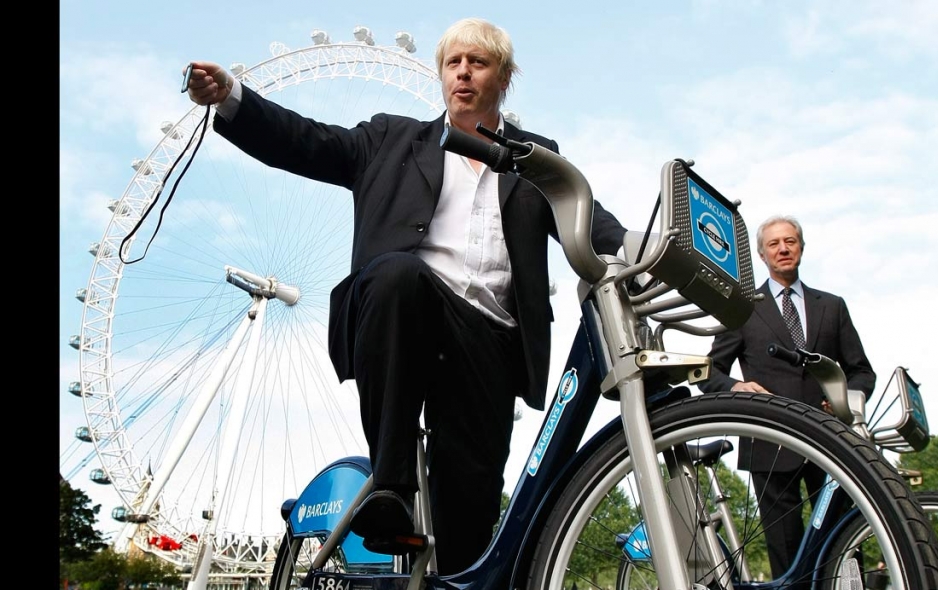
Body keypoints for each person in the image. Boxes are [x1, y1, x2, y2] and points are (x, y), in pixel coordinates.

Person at [183, 17, 627, 575]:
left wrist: (650, 253)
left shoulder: (537, 159)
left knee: (469, 515)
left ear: (505, 78)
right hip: (409, 313)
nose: (463, 73)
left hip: (492, 342)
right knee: (397, 274)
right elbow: (306, 142)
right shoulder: (391, 138)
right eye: (453, 63)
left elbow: (593, 223)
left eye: (479, 63)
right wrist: (232, 100)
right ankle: (389, 487)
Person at [697, 214, 875, 583]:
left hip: (831, 439)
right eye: (774, 244)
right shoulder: (743, 308)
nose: (783, 248)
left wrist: (847, 401)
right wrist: (735, 387)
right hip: (770, 441)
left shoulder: (833, 306)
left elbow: (861, 371)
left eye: (790, 241)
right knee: (785, 550)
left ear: (801, 248)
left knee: (844, 542)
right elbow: (709, 373)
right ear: (762, 255)